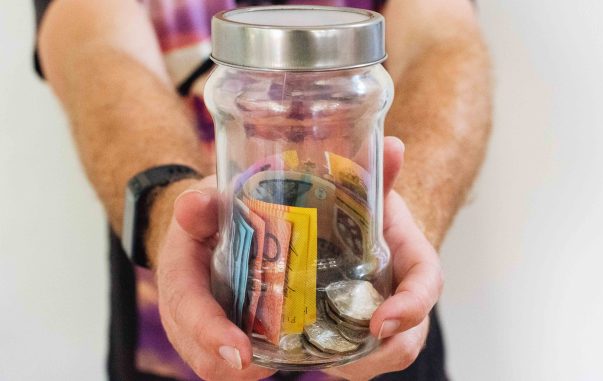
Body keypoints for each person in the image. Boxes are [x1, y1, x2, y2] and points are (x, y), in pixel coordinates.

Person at [33, 0, 491, 379]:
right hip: (168, 347)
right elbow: (93, 42)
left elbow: (442, 38)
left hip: (389, 351)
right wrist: (168, 209)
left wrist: (394, 224)